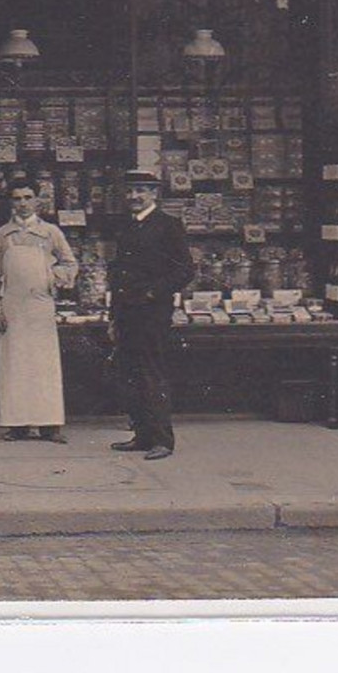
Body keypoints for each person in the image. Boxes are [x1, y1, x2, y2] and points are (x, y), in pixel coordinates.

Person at [0, 179, 78, 443]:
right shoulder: (2, 235)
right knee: (14, 365)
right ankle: (17, 424)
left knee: (44, 365)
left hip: (40, 306)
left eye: (27, 197)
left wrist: (52, 276)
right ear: (11, 202)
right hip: (12, 307)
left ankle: (49, 425)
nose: (23, 204)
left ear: (37, 200)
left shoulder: (51, 232)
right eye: (17, 198)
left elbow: (70, 263)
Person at [109, 170, 194, 461]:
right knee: (131, 373)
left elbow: (185, 269)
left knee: (151, 374)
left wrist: (152, 293)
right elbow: (117, 273)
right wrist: (113, 315)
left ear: (154, 194)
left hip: (152, 313)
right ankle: (142, 435)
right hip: (127, 312)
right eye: (130, 191)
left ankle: (162, 440)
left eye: (141, 191)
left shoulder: (167, 225)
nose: (134, 197)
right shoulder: (127, 226)